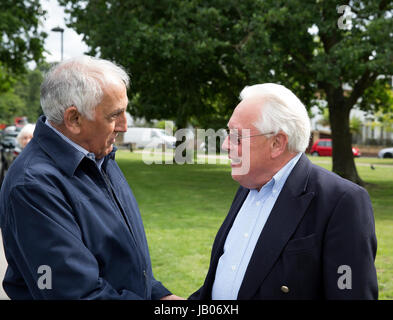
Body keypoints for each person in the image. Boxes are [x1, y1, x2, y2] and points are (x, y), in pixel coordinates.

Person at [0, 56, 182, 300]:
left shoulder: (99, 157)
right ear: (74, 119)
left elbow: (119, 259)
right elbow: (74, 293)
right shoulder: (33, 185)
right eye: (114, 115)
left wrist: (160, 295)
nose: (124, 126)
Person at [189, 83, 378, 300]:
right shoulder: (248, 186)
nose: (225, 145)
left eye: (237, 137)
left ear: (277, 143)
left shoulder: (341, 202)